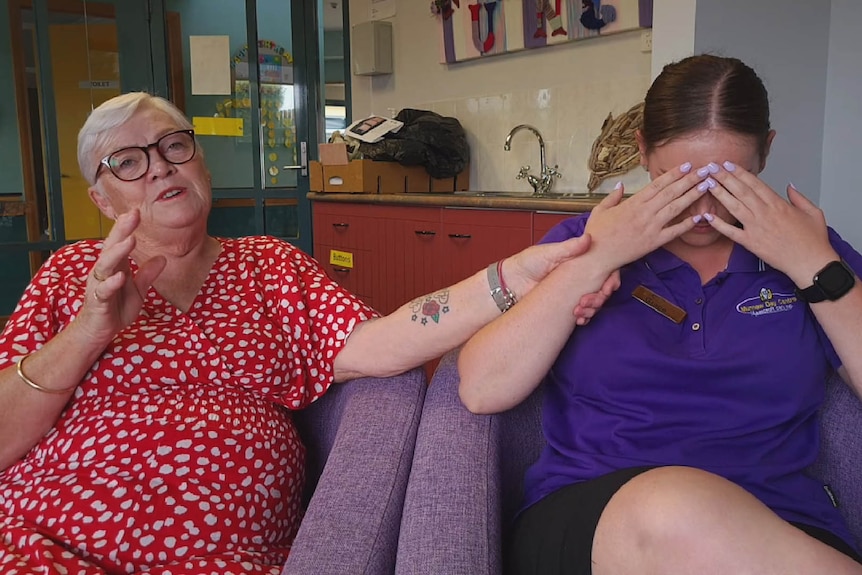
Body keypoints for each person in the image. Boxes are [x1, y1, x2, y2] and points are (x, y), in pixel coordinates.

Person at [0, 92, 593, 574]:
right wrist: (86, 332)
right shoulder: (69, 276)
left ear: (201, 164)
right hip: (41, 543)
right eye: (128, 161)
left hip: (226, 559)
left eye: (173, 146)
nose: (159, 165)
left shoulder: (268, 266)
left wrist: (514, 274)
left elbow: (385, 341)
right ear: (102, 199)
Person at [458, 54, 862, 574]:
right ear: (644, 152)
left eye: (725, 181)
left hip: (778, 523)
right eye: (680, 180)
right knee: (671, 511)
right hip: (597, 515)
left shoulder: (811, 250)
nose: (701, 210)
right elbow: (482, 387)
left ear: (766, 152)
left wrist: (812, 265)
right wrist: (599, 258)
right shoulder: (587, 242)